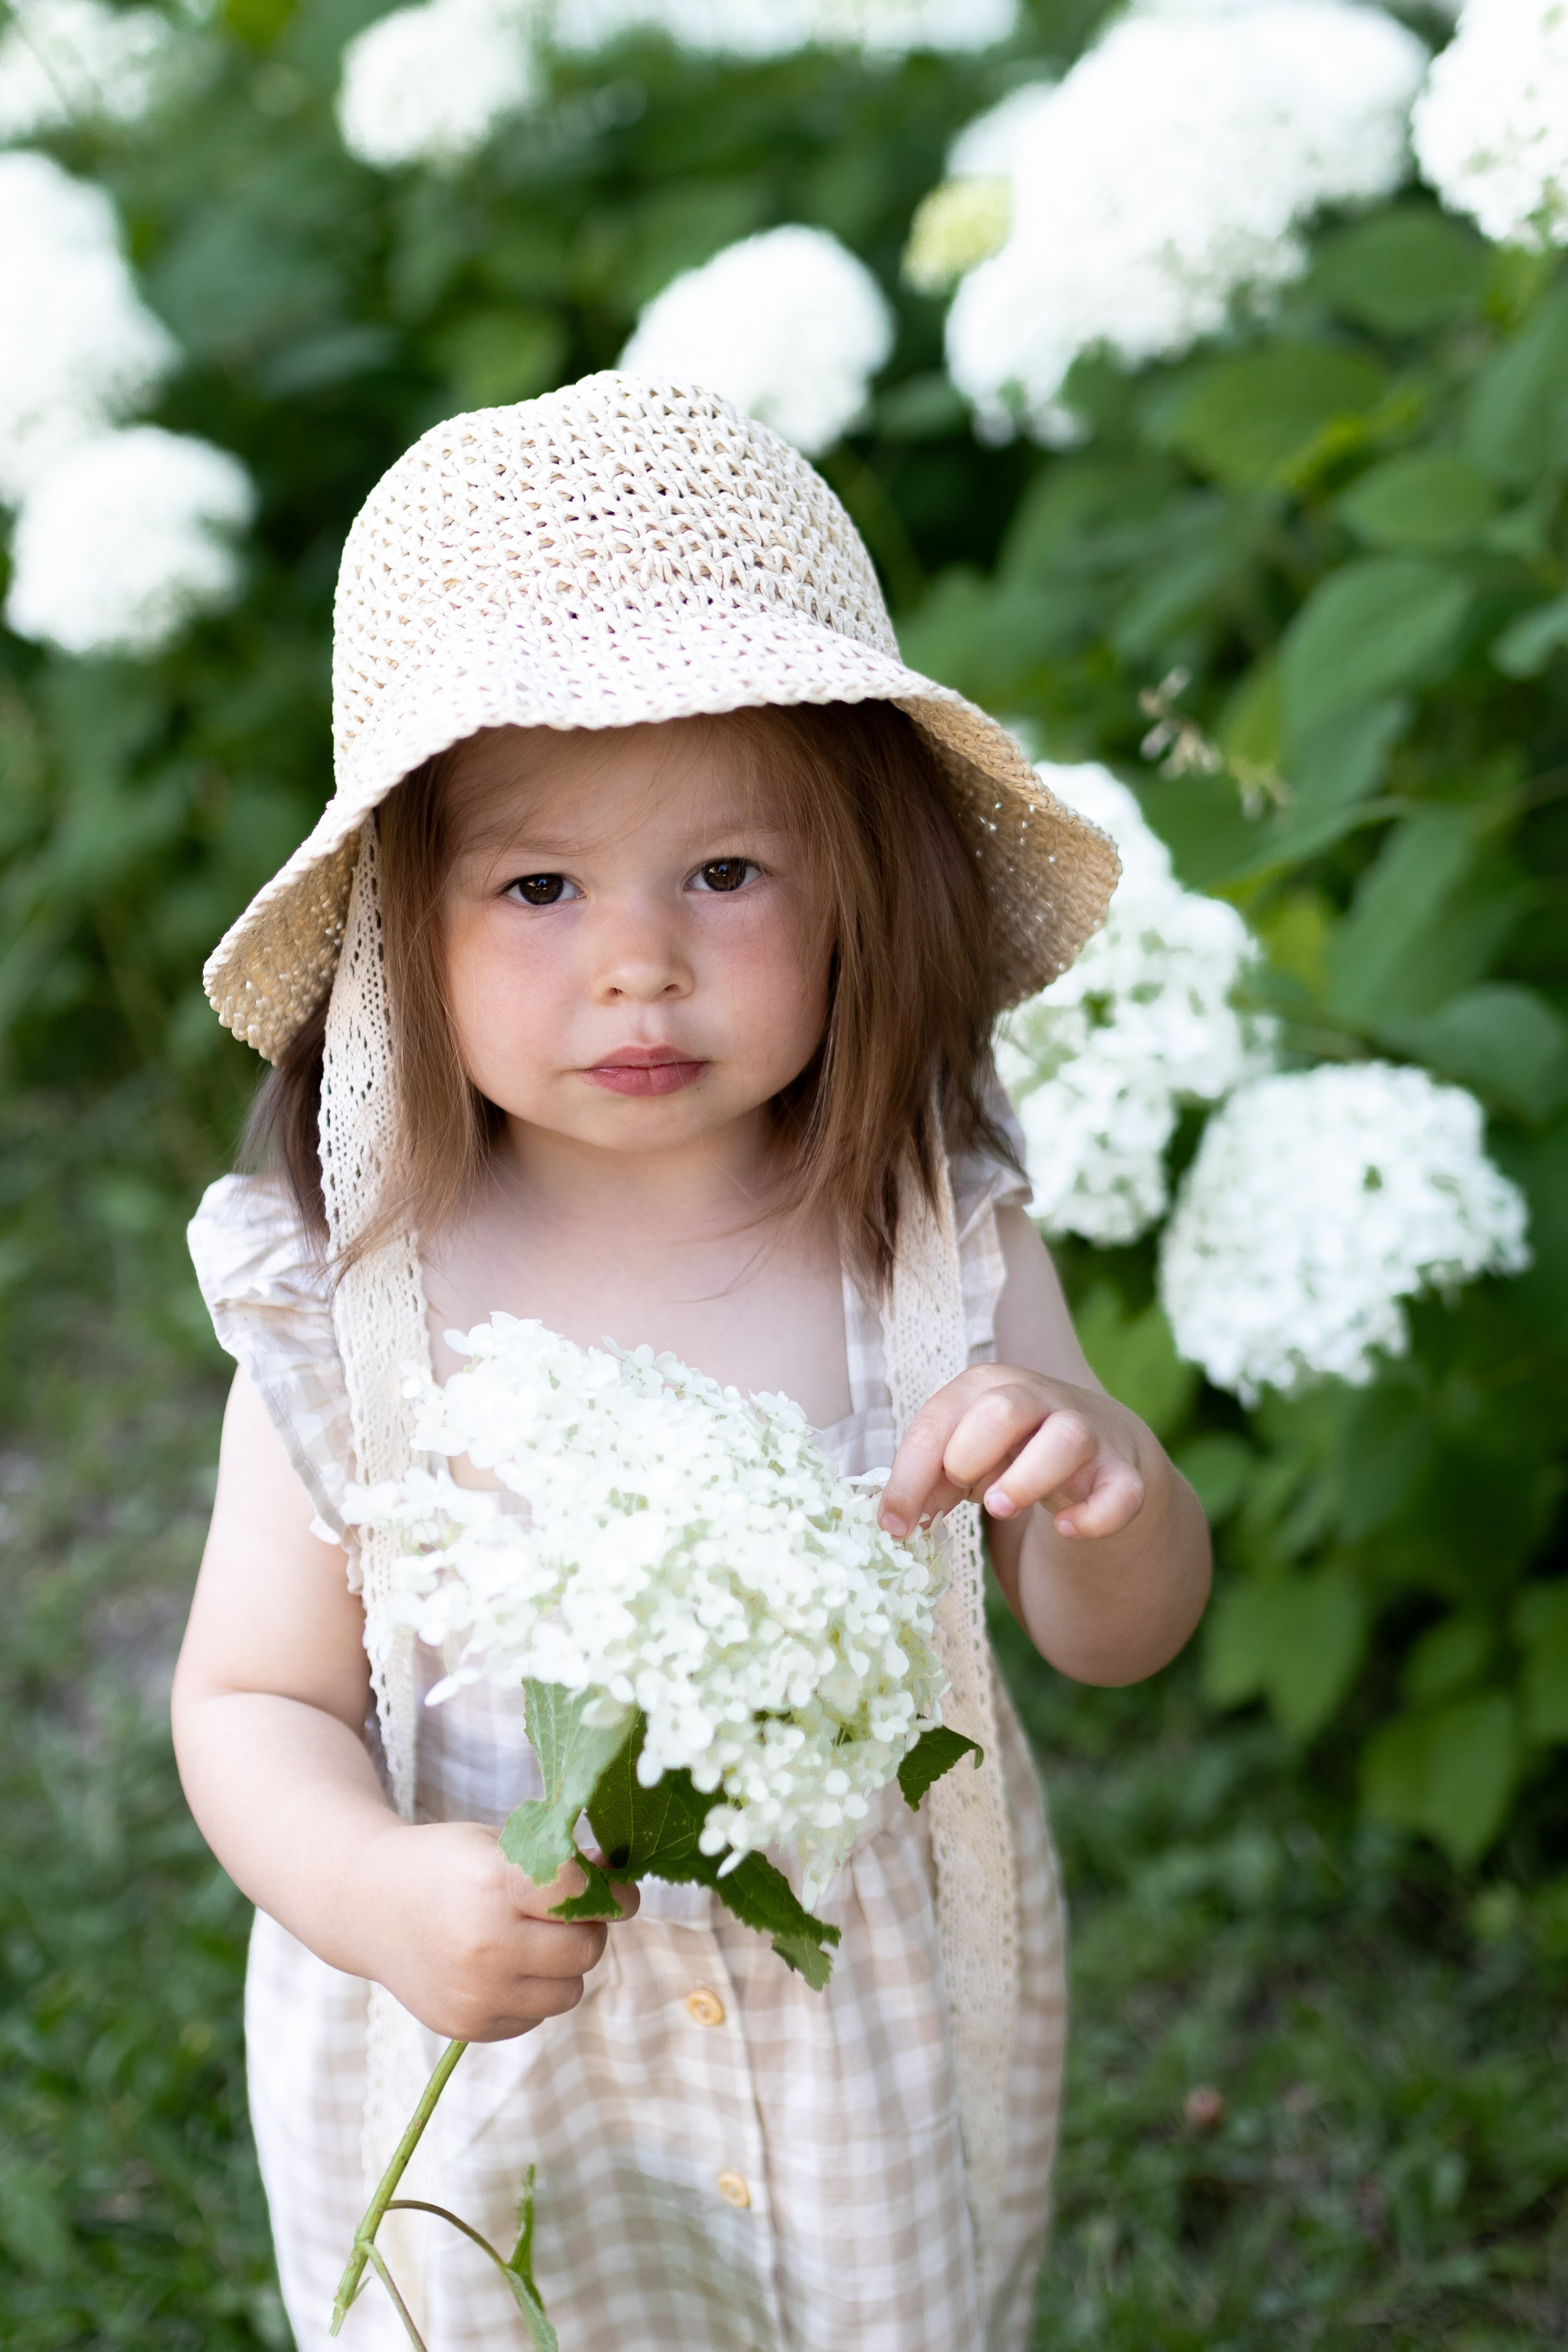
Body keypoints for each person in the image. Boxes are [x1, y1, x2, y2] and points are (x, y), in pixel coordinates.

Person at [172, 374, 1210, 2352]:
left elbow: (1111, 1636)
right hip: (477, 2051)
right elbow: (246, 1697)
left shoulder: (927, 1240)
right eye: (541, 888)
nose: (636, 961)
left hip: (855, 2037)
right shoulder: (356, 1296)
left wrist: (1103, 1485)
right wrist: (380, 1894)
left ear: (860, 888)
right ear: (404, 924)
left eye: (725, 875)